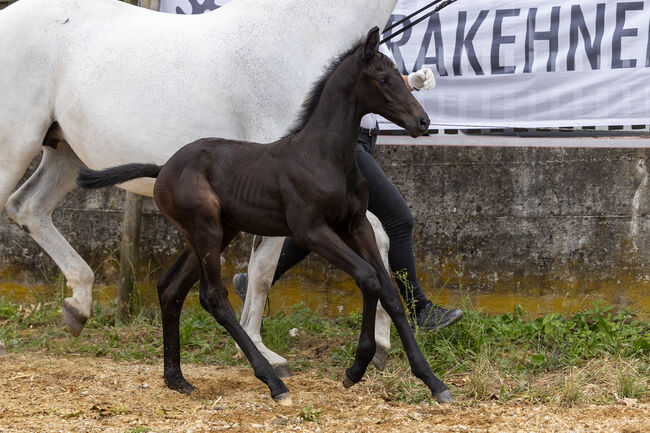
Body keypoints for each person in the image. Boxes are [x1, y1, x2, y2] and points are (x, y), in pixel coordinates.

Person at [234, 66, 463, 331]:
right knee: (399, 221)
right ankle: (419, 309)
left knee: (319, 225)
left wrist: (409, 81)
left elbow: (377, 79)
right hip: (345, 143)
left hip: (364, 138)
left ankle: (252, 280)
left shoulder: (370, 34)